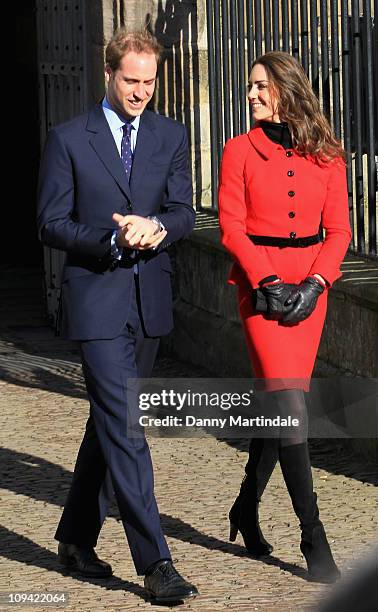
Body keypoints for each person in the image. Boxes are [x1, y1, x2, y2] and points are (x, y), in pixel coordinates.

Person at [37, 28, 198, 603]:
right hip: (97, 300)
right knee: (127, 425)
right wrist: (111, 241)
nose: (141, 92)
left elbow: (185, 212)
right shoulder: (68, 139)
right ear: (109, 74)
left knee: (109, 422)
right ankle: (155, 563)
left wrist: (158, 228)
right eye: (131, 80)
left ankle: (75, 538)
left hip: (149, 301)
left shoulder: (170, 135)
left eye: (150, 82)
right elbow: (51, 222)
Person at [218, 51, 351, 583]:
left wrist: (317, 283)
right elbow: (229, 226)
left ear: (288, 90)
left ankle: (245, 508)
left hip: (311, 285)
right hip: (260, 286)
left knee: (280, 404)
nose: (250, 94)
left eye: (260, 86)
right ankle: (314, 540)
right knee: (289, 401)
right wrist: (268, 281)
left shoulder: (329, 156)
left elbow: (339, 231)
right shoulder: (237, 150)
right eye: (249, 85)